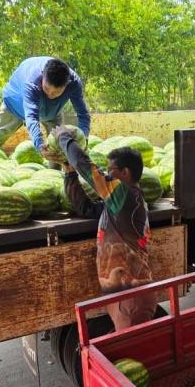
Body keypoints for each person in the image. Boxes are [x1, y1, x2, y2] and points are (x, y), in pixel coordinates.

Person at [44, 126, 156, 331]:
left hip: (132, 297)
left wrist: (64, 138)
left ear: (125, 173)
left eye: (109, 170)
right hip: (121, 295)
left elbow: (88, 168)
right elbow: (85, 208)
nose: (105, 174)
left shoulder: (127, 196)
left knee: (136, 357)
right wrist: (69, 171)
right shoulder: (118, 204)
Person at [0, 57, 91, 156]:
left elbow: (83, 114)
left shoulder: (74, 83)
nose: (50, 94)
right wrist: (39, 145)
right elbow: (31, 117)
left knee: (58, 146)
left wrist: (83, 138)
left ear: (67, 84)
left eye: (56, 92)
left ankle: (54, 174)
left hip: (52, 111)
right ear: (42, 75)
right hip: (15, 104)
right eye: (47, 89)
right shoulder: (31, 82)